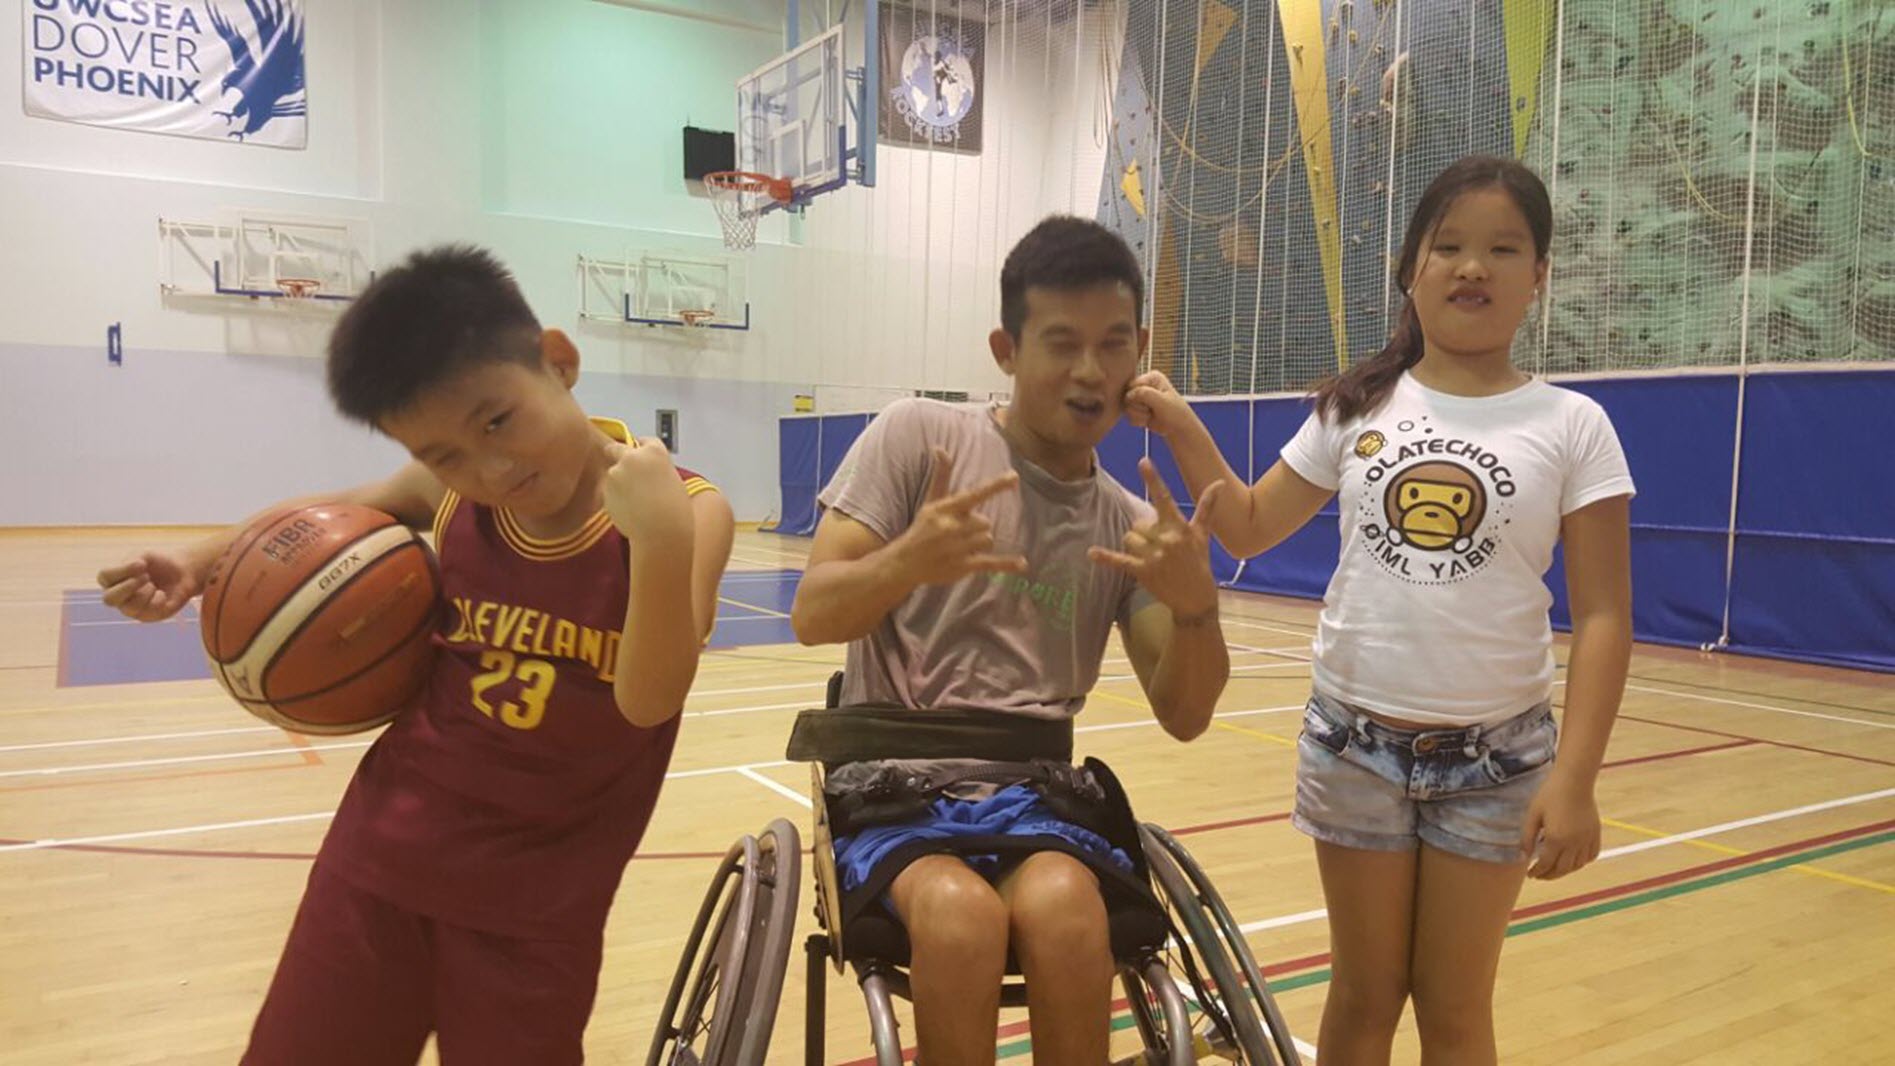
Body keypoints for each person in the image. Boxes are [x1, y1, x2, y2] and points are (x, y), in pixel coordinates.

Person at [95, 245, 736, 1065]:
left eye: (497, 422)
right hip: (377, 865)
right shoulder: (451, 498)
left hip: (536, 913)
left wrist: (659, 541)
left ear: (558, 362)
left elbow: (649, 701)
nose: (491, 467)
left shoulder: (686, 510)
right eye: (444, 455)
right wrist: (197, 561)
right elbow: (331, 512)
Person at [1128, 155, 1635, 1066]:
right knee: (1362, 997)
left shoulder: (1573, 426)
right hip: (1352, 749)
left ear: (1537, 276)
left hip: (1496, 764)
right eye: (1448, 246)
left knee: (1454, 1008)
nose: (1471, 267)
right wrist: (1180, 424)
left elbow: (1602, 617)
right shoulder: (1355, 408)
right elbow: (1247, 525)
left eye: (1502, 249)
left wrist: (1575, 781)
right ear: (1409, 271)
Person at [790, 215, 1231, 1065]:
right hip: (895, 790)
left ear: (1139, 352)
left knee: (1069, 913)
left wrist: (1195, 610)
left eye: (1112, 344)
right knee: (960, 921)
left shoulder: (1128, 525)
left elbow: (1184, 714)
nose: (1089, 371)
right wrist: (905, 563)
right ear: (1006, 349)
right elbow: (813, 614)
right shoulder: (918, 437)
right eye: (1061, 343)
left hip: (1035, 798)